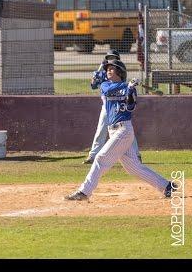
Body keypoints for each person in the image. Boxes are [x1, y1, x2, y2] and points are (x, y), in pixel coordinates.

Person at [65, 59, 177, 201]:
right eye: (108, 69)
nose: (108, 71)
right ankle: (167, 186)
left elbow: (130, 107)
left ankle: (84, 192)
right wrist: (126, 85)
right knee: (133, 168)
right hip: (114, 132)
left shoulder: (128, 88)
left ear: (119, 72)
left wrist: (130, 90)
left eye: (112, 69)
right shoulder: (106, 85)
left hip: (123, 130)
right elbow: (107, 90)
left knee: (100, 158)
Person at [84, 49, 142, 164]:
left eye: (114, 58)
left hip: (118, 105)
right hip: (106, 105)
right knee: (101, 130)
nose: (111, 60)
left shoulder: (119, 70)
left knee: (127, 130)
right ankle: (93, 155)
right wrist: (94, 78)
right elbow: (94, 86)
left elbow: (124, 87)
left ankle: (136, 154)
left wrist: (130, 86)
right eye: (109, 58)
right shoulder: (103, 73)